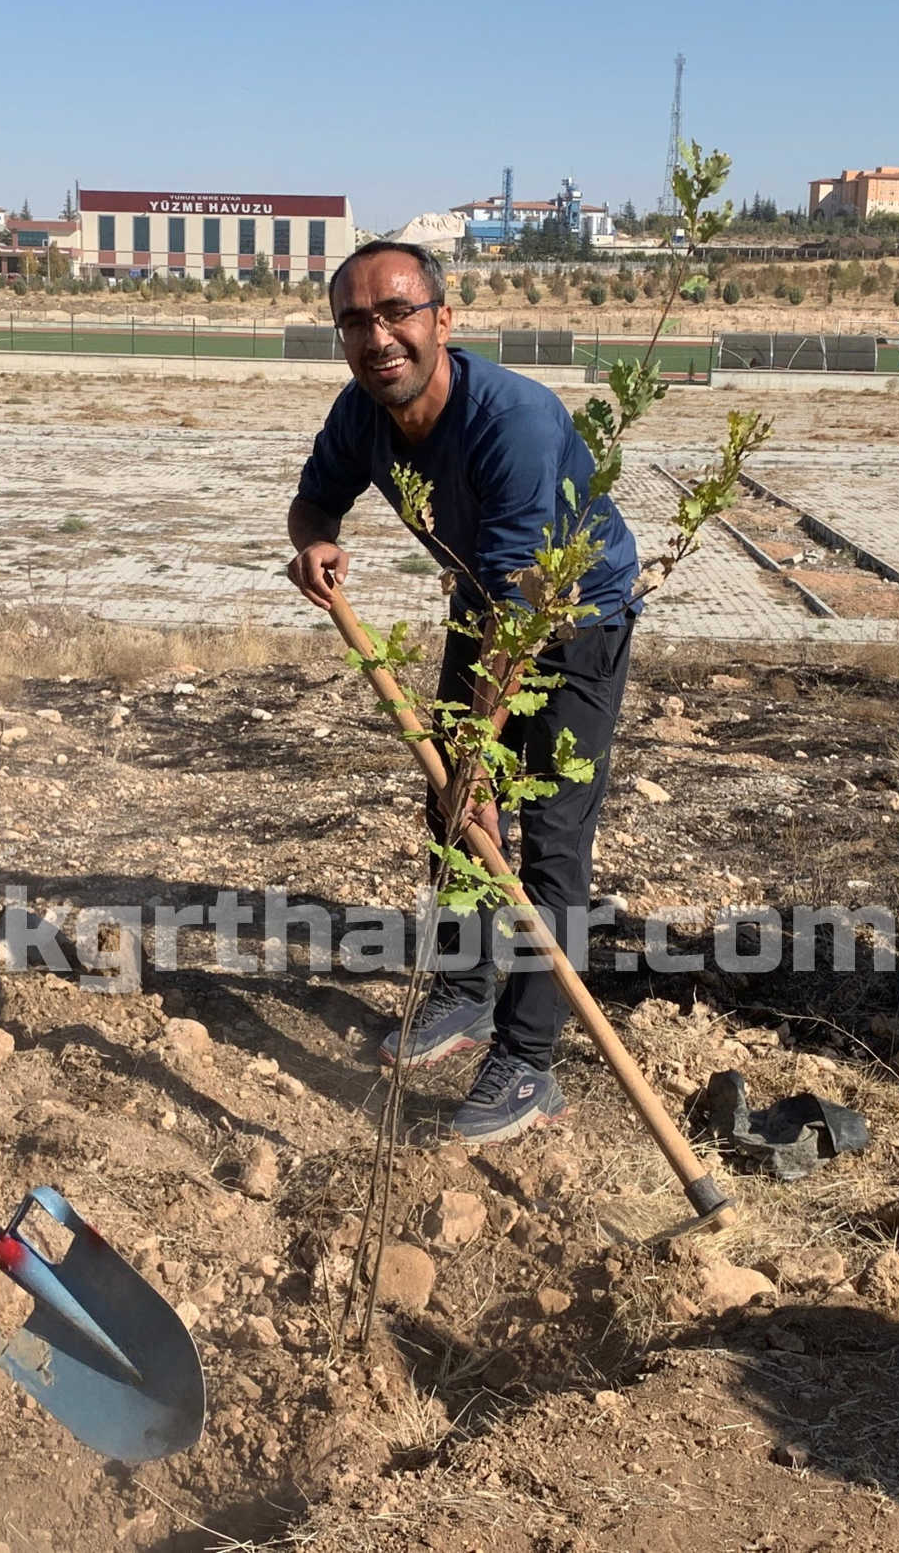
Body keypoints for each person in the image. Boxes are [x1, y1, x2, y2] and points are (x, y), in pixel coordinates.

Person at [283, 241, 639, 1144]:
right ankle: (467, 990)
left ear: (443, 319)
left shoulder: (510, 419)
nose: (378, 336)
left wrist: (478, 758)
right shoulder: (362, 413)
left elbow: (526, 614)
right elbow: (313, 500)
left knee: (548, 830)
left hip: (572, 611)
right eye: (355, 321)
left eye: (397, 311)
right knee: (453, 809)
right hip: (488, 605)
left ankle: (529, 1059)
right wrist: (315, 541)